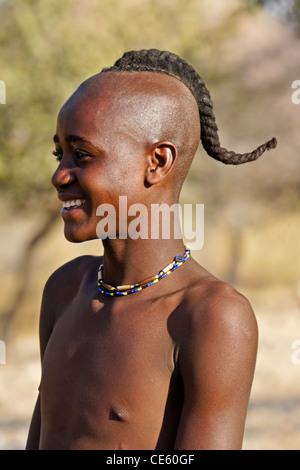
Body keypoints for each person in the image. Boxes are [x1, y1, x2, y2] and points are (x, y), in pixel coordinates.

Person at [26, 49, 277, 450]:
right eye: (60, 154)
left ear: (157, 162)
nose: (59, 175)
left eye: (82, 154)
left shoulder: (209, 317)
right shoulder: (64, 290)